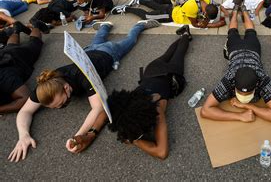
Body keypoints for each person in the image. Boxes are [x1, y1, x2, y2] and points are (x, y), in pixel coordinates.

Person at [8, 20, 161, 162]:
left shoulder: (82, 77)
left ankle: (139, 25)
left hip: (108, 53)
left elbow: (97, 108)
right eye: (53, 107)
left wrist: (78, 135)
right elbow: (25, 111)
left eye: (62, 104)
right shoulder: (46, 86)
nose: (59, 108)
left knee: (130, 40)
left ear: (67, 88)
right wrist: (23, 135)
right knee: (98, 39)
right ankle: (105, 26)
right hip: (86, 52)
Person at [61, 25, 193, 157]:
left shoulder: (156, 111)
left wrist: (135, 140)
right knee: (172, 54)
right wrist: (90, 135)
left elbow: (162, 152)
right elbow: (105, 113)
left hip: (168, 74)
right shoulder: (123, 105)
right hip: (153, 72)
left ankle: (185, 35)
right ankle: (184, 35)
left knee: (177, 54)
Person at [200, 3, 271, 124]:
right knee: (247, 32)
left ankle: (238, 10)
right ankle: (240, 10)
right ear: (234, 83)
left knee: (236, 32)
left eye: (248, 93)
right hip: (248, 50)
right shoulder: (229, 79)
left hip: (240, 50)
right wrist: (239, 116)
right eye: (241, 92)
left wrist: (247, 107)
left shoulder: (263, 79)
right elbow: (205, 111)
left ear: (256, 84)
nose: (244, 97)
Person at [0, 21, 49, 113]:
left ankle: (36, 25)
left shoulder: (4, 78)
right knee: (10, 46)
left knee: (35, 43)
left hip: (17, 58)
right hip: (4, 56)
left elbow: (25, 98)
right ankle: (16, 30)